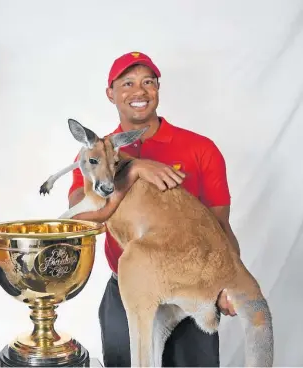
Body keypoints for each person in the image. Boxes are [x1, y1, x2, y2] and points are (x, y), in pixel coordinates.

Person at [67, 51, 240, 367]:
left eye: (148, 82)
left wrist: (231, 278)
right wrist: (132, 170)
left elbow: (220, 224)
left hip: (191, 287)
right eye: (128, 83)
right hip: (128, 286)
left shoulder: (200, 148)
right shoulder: (95, 152)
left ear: (158, 89)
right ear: (111, 93)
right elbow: (81, 214)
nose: (139, 92)